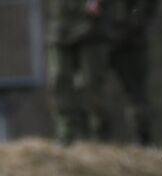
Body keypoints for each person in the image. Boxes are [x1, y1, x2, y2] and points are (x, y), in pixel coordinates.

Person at [46, 0, 113, 144]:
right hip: (60, 28)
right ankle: (65, 133)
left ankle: (100, 135)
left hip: (92, 29)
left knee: (92, 84)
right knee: (59, 81)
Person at [107, 0, 158, 145]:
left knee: (136, 95)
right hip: (95, 37)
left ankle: (142, 140)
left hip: (132, 42)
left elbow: (146, 8)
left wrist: (129, 27)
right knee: (90, 89)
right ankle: (94, 138)